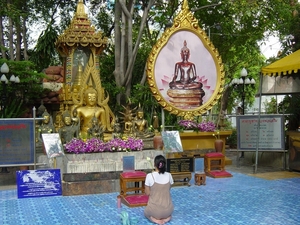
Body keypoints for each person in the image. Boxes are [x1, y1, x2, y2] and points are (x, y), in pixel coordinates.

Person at [144, 155, 174, 225]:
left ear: (155, 164)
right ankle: (167, 218)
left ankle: (155, 220)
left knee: (146, 213)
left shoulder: (149, 176)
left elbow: (147, 193)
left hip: (154, 211)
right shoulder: (169, 175)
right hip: (168, 210)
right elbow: (168, 188)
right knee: (168, 213)